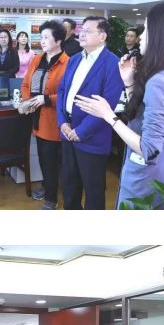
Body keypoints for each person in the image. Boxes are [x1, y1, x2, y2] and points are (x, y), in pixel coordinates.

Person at [73, 1, 164, 209]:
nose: (140, 37)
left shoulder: (161, 81)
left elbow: (149, 150)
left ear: (162, 34)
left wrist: (108, 115)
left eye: (146, 29)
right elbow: (146, 118)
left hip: (147, 179)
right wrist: (130, 83)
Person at [56, 16, 123, 210]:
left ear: (102, 36)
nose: (81, 34)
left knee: (93, 192)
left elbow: (108, 105)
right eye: (81, 30)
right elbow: (62, 91)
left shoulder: (113, 63)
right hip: (68, 132)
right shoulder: (75, 59)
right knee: (69, 187)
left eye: (87, 31)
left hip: (92, 138)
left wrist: (81, 131)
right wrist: (63, 123)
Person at [19, 20, 70, 210]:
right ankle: (48, 187)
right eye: (41, 37)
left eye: (46, 37)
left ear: (58, 40)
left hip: (55, 120)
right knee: (43, 157)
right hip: (36, 117)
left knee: (52, 161)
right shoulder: (37, 59)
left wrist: (46, 99)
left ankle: (51, 199)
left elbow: (69, 94)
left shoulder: (68, 62)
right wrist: (28, 101)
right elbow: (26, 83)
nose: (42, 41)